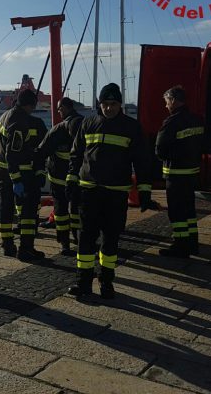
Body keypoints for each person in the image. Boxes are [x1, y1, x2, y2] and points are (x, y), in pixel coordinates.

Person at [66, 83, 157, 299]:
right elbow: (76, 155)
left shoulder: (131, 127)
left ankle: (107, 283)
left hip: (116, 194)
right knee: (85, 239)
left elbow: (142, 161)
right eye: (105, 104)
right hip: (89, 192)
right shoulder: (88, 123)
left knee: (110, 239)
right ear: (100, 105)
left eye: (113, 104)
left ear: (120, 104)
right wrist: (71, 180)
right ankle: (84, 283)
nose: (109, 108)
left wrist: (144, 191)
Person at [0, 89, 48, 261]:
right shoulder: (20, 122)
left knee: (6, 207)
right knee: (29, 211)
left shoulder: (4, 116)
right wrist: (17, 179)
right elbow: (13, 154)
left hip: (1, 169)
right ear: (30, 105)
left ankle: (7, 244)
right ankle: (26, 249)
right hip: (18, 171)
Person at [156, 85, 205, 257]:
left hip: (175, 174)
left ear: (174, 101)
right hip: (192, 173)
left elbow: (160, 148)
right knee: (189, 210)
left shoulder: (172, 122)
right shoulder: (197, 119)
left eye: (167, 102)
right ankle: (192, 243)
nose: (166, 106)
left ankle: (180, 245)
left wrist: (169, 157)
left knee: (177, 212)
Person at [36, 97, 83, 255]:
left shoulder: (57, 130)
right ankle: (79, 238)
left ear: (65, 108)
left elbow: (41, 152)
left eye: (59, 109)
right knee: (77, 209)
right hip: (79, 179)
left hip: (59, 179)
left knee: (61, 211)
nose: (58, 112)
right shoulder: (87, 125)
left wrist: (39, 172)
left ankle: (64, 243)